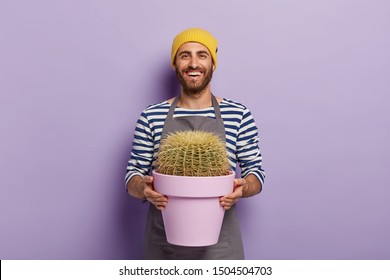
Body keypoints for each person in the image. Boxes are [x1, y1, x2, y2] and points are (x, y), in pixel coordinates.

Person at [125, 28, 265, 259]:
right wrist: (144, 189)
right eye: (184, 55)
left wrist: (243, 188)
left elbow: (256, 174)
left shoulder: (239, 114)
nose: (193, 63)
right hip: (163, 245)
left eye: (202, 55)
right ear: (174, 64)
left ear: (213, 63)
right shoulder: (151, 116)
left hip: (221, 247)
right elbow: (133, 176)